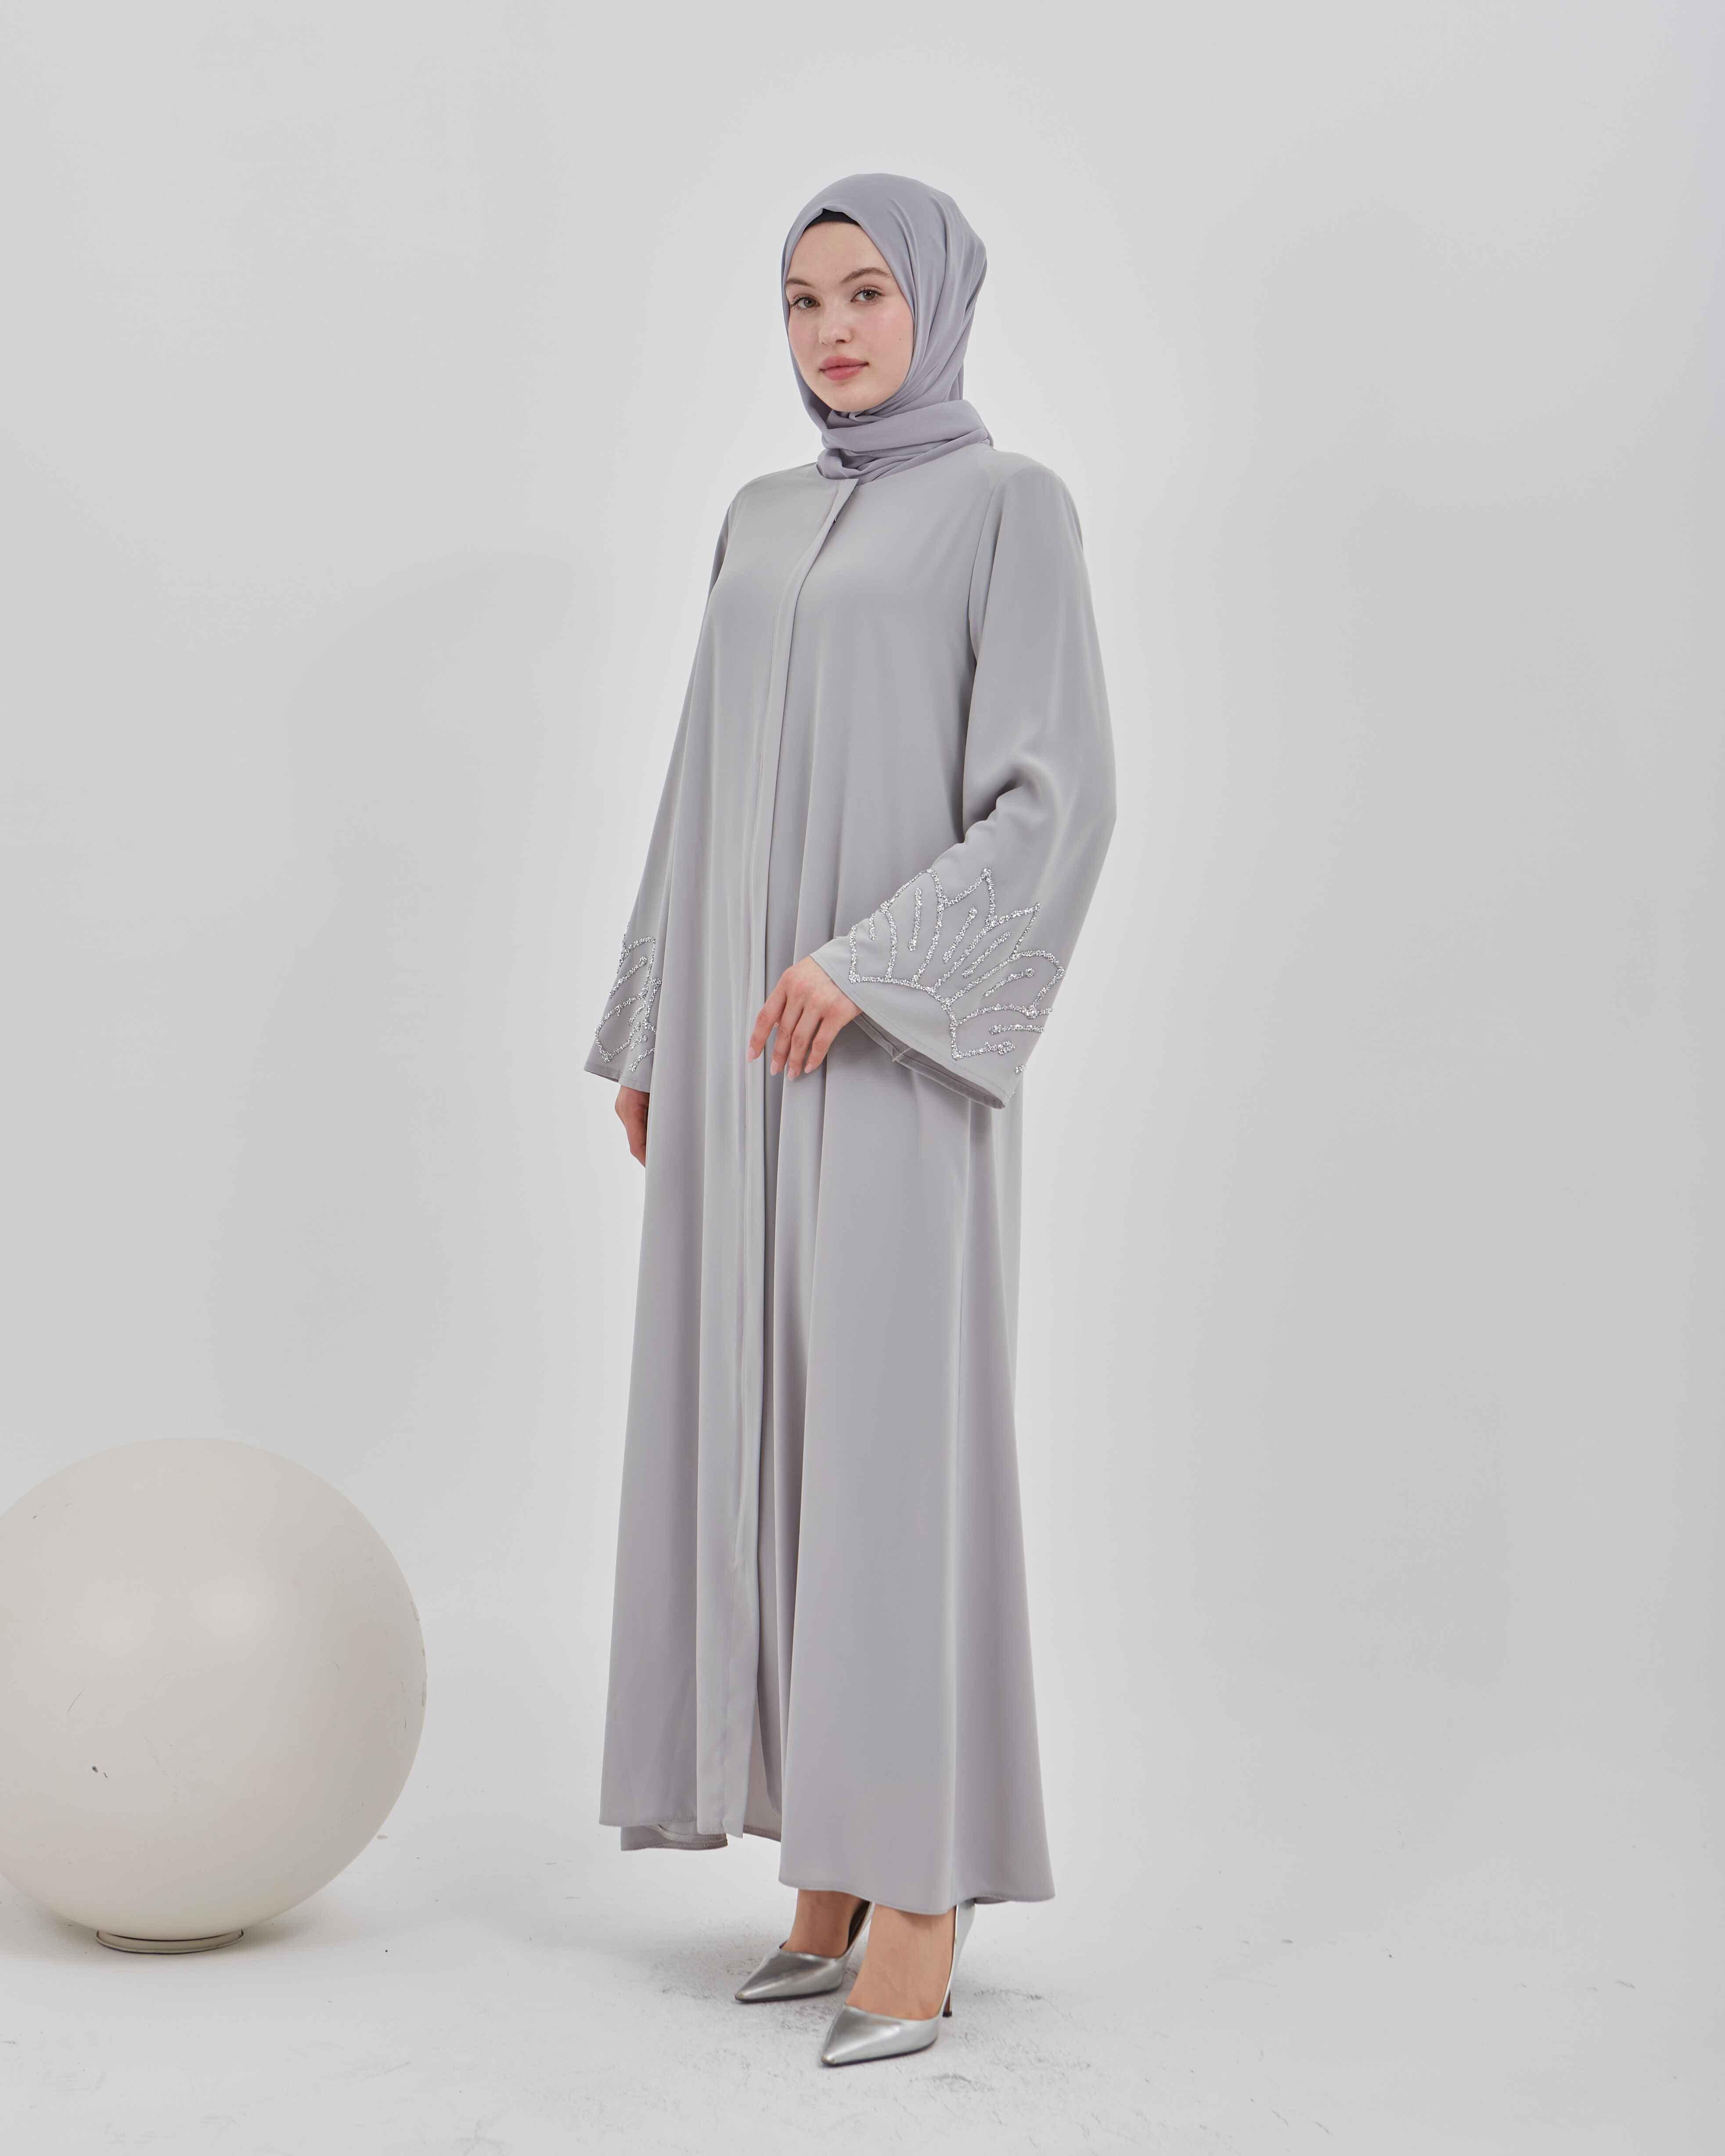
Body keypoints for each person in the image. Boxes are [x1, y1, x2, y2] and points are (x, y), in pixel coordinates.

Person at [583, 170, 1117, 2068]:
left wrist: (874, 968)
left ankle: (919, 1887)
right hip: (743, 1065)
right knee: (760, 1432)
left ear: (937, 303)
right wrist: (656, 1027)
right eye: (803, 299)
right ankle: (817, 1861)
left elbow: (1054, 798)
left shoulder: (1007, 508)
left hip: (890, 1059)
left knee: (892, 1455)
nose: (832, 330)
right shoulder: (759, 515)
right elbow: (695, 781)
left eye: (868, 292)